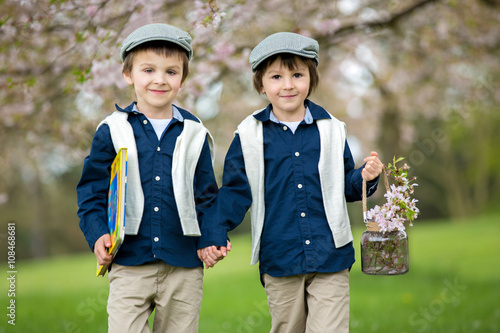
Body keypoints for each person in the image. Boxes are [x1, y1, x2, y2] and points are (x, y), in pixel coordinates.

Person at [197, 32, 383, 333]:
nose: (287, 85)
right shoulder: (248, 135)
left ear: (311, 78)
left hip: (331, 254)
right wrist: (213, 232)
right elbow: (234, 192)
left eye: (297, 74)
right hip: (280, 257)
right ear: (261, 84)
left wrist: (363, 177)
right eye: (276, 77)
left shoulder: (333, 129)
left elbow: (346, 186)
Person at [77, 23, 222, 333]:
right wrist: (97, 232)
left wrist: (211, 238)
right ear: (128, 74)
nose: (159, 79)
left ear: (182, 80)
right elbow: (91, 190)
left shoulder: (195, 133)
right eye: (148, 70)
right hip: (129, 262)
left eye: (171, 72)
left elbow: (207, 197)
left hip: (183, 264)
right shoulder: (111, 130)